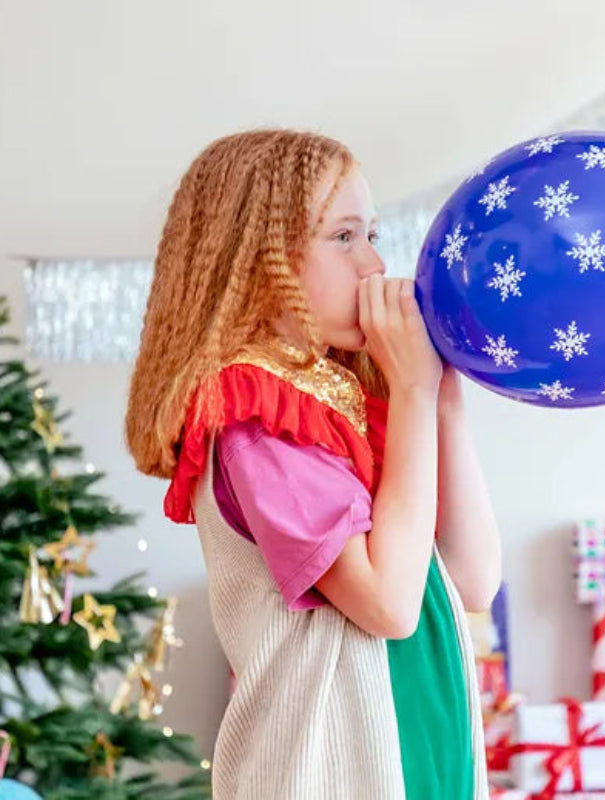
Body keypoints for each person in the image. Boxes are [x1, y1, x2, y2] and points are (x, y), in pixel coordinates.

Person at [125, 129, 501, 799]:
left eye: (373, 234)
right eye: (344, 236)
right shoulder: (255, 414)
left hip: (426, 741)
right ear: (261, 261)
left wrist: (443, 406)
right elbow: (388, 605)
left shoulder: (358, 400)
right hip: (332, 771)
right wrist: (412, 393)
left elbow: (470, 582)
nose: (374, 263)